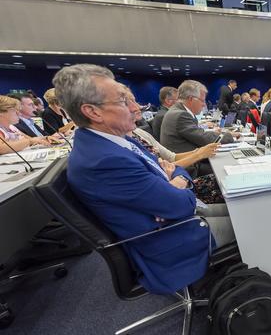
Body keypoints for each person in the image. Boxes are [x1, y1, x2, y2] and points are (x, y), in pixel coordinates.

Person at [52, 64, 234, 295]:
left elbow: (172, 169)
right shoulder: (105, 160)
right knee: (252, 220)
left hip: (175, 220)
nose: (135, 107)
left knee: (242, 208)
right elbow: (180, 204)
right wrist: (174, 183)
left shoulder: (116, 140)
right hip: (170, 239)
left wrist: (174, 181)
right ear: (93, 112)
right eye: (122, 101)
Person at [160, 80, 222, 175]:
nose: (204, 104)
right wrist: (228, 136)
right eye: (202, 100)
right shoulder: (180, 115)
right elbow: (204, 139)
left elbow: (198, 134)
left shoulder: (179, 111)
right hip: (187, 169)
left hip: (188, 160)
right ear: (191, 99)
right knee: (223, 168)